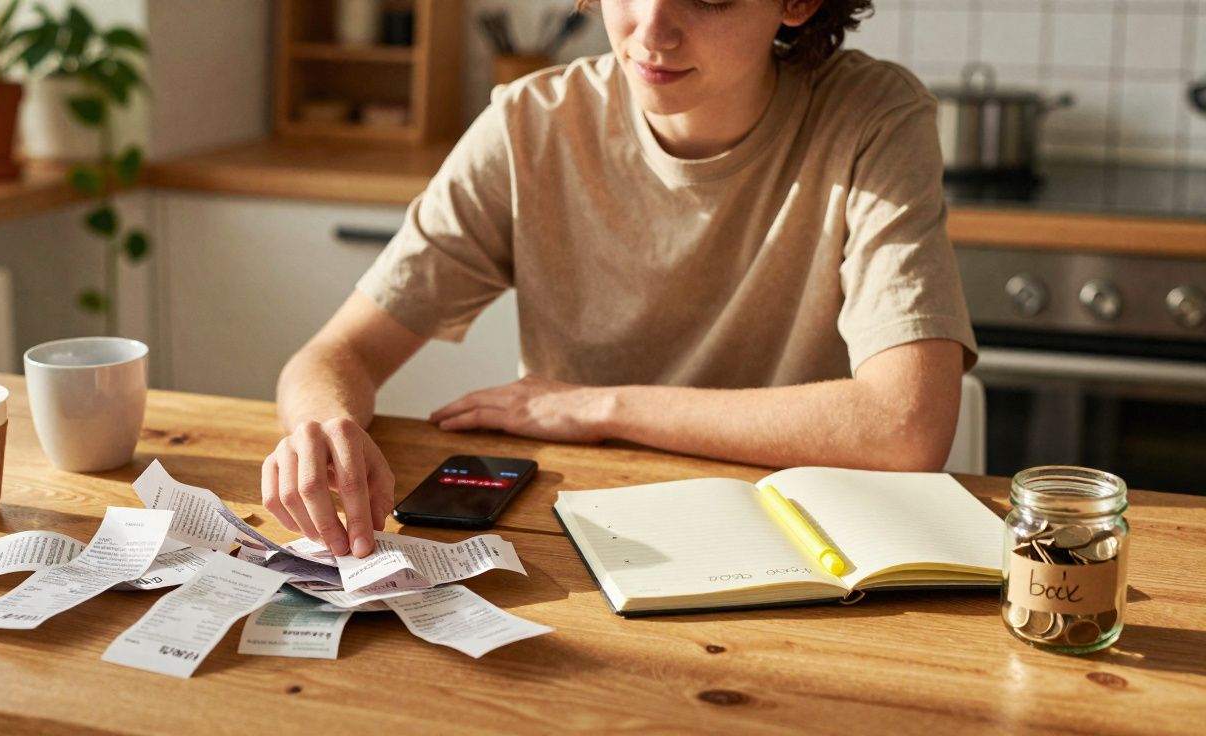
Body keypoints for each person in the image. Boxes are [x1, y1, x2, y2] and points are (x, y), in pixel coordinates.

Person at [262, 0, 977, 558]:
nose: (651, 29)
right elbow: (333, 357)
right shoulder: (530, 126)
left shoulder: (872, 117)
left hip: (804, 544)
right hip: (577, 539)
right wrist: (324, 429)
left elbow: (906, 425)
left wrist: (600, 409)